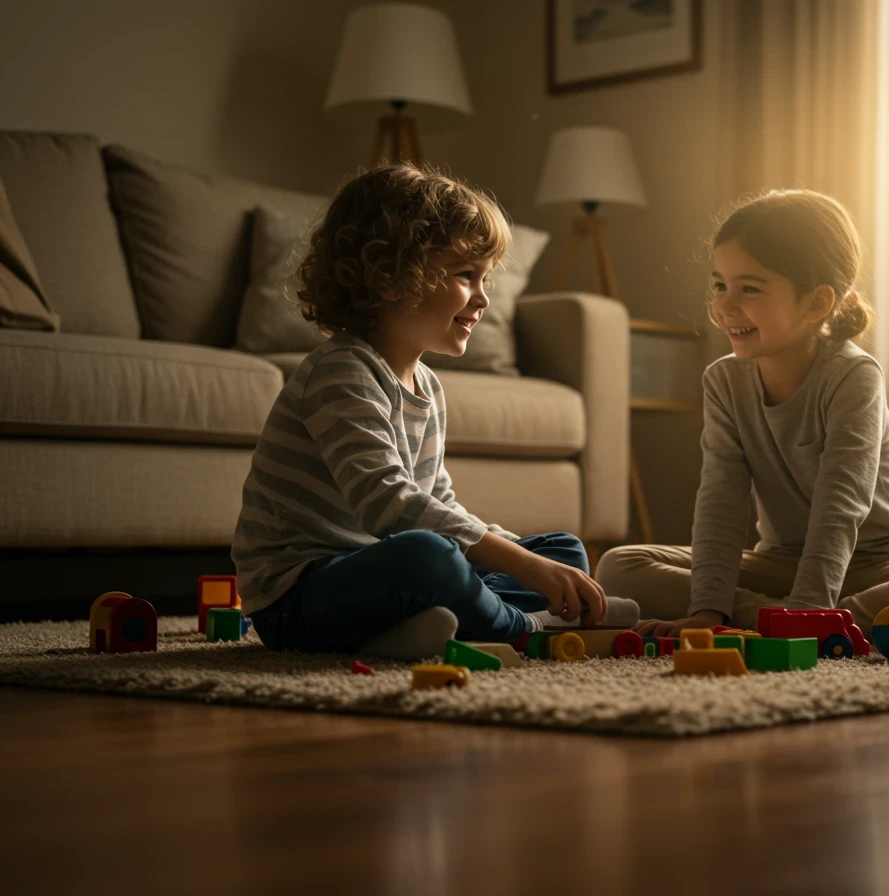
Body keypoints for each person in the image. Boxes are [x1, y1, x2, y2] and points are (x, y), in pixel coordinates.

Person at [232, 164, 637, 659]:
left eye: (485, 278)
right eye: (467, 275)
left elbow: (437, 500)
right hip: (298, 602)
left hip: (382, 582)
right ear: (390, 277)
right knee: (430, 558)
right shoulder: (341, 371)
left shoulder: (426, 384)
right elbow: (391, 506)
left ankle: (418, 632)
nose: (484, 298)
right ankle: (525, 629)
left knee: (562, 551)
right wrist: (523, 569)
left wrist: (531, 561)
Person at [597, 189, 889, 643]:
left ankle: (805, 620)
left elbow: (841, 507)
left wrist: (808, 607)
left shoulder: (854, 376)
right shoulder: (724, 382)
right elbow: (721, 501)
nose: (725, 305)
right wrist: (707, 608)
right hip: (780, 562)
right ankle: (794, 622)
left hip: (880, 563)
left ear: (817, 303)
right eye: (720, 284)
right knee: (619, 567)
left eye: (751, 288)